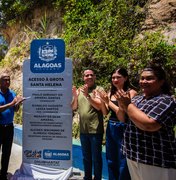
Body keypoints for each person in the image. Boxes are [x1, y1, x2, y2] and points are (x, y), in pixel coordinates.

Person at [116, 65, 176, 180]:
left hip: (155, 160)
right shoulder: (137, 99)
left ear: (161, 81)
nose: (144, 81)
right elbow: (123, 118)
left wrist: (127, 104)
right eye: (142, 78)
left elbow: (149, 125)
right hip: (133, 156)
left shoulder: (166, 101)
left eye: (149, 78)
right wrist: (122, 103)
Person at [97, 67, 137, 180]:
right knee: (111, 158)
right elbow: (105, 113)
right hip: (111, 126)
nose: (115, 80)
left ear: (125, 78)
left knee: (123, 159)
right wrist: (102, 100)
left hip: (124, 127)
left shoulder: (131, 93)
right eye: (113, 77)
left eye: (118, 77)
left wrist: (107, 101)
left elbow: (122, 117)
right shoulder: (110, 93)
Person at [72, 69, 104, 180]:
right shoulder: (79, 91)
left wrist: (88, 96)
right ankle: (87, 177)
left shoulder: (99, 89)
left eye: (91, 75)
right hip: (83, 131)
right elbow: (74, 107)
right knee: (86, 157)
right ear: (83, 78)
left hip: (95, 130)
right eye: (87, 75)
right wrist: (75, 97)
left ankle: (98, 178)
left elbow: (99, 106)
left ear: (95, 77)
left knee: (96, 158)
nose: (89, 77)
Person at [0, 72, 23, 180]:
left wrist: (18, 104)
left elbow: (15, 109)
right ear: (0, 82)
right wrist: (11, 104)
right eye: (5, 80)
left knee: (6, 153)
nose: (7, 82)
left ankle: (3, 174)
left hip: (9, 128)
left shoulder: (12, 93)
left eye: (9, 79)